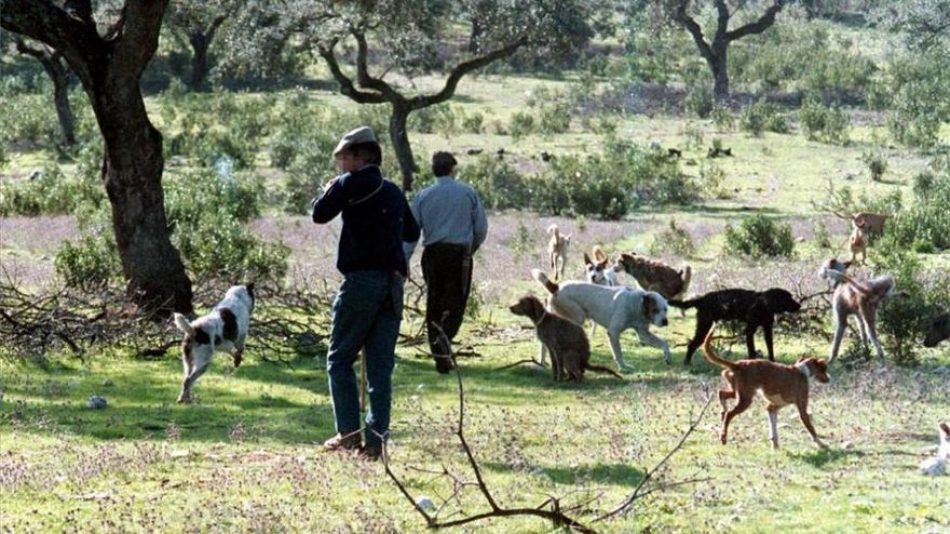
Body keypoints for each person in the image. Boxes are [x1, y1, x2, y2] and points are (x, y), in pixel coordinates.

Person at [311, 126, 420, 459]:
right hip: (392, 285)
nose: (341, 164)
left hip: (361, 283)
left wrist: (332, 188)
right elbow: (412, 231)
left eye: (344, 157)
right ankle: (374, 443)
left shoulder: (350, 183)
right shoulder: (391, 190)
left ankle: (347, 433)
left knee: (340, 359)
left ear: (361, 156)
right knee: (379, 368)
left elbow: (319, 214)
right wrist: (397, 261)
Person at [405, 151, 488, 374]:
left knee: (434, 300)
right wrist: (471, 249)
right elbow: (480, 228)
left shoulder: (424, 195)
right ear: (453, 169)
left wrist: (404, 259)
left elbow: (411, 232)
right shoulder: (467, 192)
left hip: (432, 253)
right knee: (456, 301)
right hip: (458, 254)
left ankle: (439, 351)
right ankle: (444, 340)